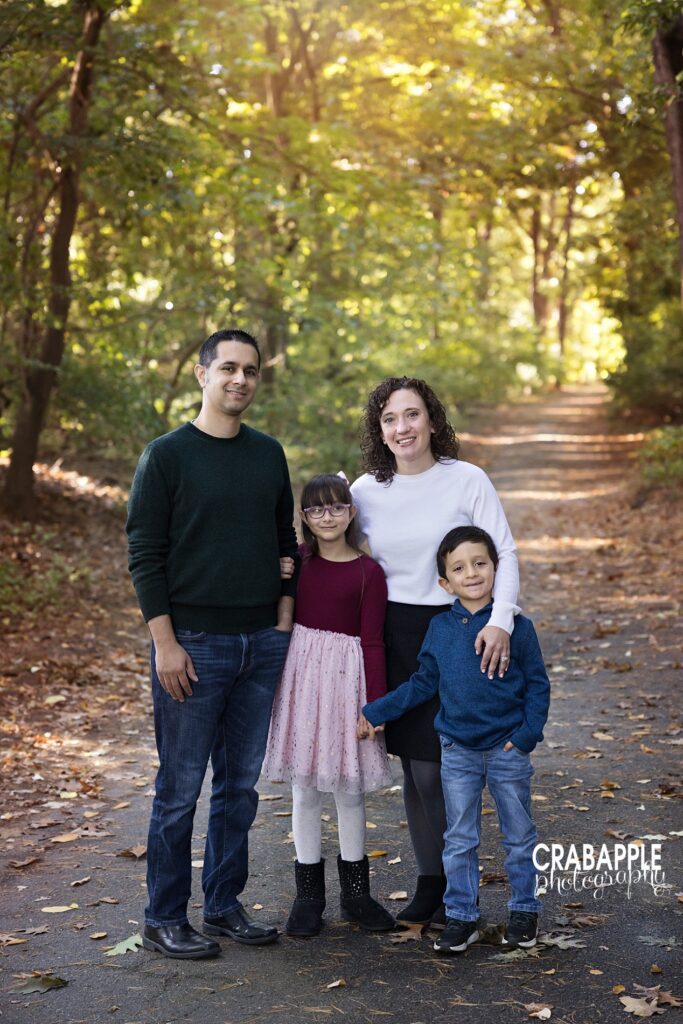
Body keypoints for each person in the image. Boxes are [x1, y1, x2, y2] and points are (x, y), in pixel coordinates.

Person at [126, 328, 298, 959]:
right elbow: (144, 554)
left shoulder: (267, 453)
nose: (240, 380)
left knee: (240, 789)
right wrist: (165, 643)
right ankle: (163, 917)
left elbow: (287, 541)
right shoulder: (166, 456)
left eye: (250, 370)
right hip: (193, 645)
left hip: (260, 643)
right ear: (201, 374)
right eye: (228, 368)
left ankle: (223, 906)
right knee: (180, 789)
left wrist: (281, 622)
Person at [351, 377, 520, 927]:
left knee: (441, 768)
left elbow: (505, 552)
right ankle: (432, 884)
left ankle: (456, 887)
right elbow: (329, 552)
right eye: (390, 419)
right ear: (380, 430)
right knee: (415, 767)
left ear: (432, 420)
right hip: (394, 632)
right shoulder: (364, 491)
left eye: (412, 415)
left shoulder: (466, 479)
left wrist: (500, 622)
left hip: (457, 630)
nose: (402, 428)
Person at [359, 526, 550, 953]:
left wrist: (526, 736)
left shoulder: (516, 626)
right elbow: (422, 683)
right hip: (458, 748)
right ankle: (461, 914)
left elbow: (538, 685)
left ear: (497, 570)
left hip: (506, 748)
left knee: (519, 833)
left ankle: (524, 909)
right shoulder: (440, 628)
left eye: (481, 563)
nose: (472, 573)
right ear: (445, 582)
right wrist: (376, 711)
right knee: (460, 836)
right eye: (460, 568)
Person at [263, 473, 394, 937]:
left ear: (351, 512)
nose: (327, 516)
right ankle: (308, 896)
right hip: (301, 680)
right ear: (304, 517)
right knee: (304, 790)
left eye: (336, 507)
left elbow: (374, 642)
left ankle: (356, 893)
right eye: (316, 509)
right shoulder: (297, 564)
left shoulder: (367, 572)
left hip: (346, 684)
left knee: (348, 789)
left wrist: (374, 706)